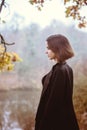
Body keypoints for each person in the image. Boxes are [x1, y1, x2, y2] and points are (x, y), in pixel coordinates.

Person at [35, 34, 80, 130]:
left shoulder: (60, 70)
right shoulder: (65, 68)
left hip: (55, 123)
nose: (45, 51)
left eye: (48, 48)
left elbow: (54, 103)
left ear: (57, 48)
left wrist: (43, 125)